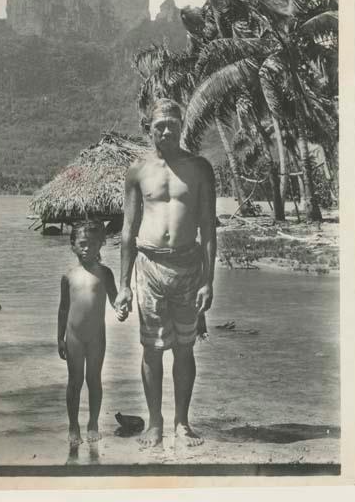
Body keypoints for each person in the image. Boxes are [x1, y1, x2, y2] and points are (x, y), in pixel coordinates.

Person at [115, 98, 216, 448]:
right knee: (152, 350)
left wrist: (209, 281)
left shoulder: (200, 168)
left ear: (182, 125)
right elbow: (128, 230)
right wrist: (124, 285)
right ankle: (155, 424)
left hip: (189, 267)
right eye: (160, 125)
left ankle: (182, 424)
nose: (167, 130)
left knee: (185, 349)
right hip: (150, 267)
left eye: (173, 124)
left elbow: (207, 228)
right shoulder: (137, 171)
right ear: (149, 128)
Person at [58, 220, 127, 446]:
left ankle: (93, 423)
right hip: (74, 337)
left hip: (97, 336)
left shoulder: (105, 273)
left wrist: (121, 309)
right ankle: (73, 425)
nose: (87, 248)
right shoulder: (68, 276)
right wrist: (59, 338)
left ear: (101, 245)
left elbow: (116, 300)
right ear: (73, 246)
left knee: (94, 380)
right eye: (82, 243)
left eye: (93, 244)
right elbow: (63, 308)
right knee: (74, 382)